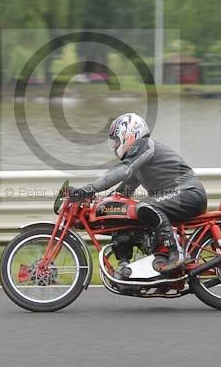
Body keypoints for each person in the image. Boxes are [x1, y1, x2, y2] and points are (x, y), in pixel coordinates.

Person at [69, 112, 208, 273]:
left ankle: (176, 254)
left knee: (145, 206)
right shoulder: (139, 163)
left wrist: (90, 188)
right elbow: (121, 193)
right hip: (179, 195)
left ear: (128, 134)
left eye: (116, 140)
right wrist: (99, 203)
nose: (114, 146)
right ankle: (129, 265)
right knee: (125, 215)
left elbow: (123, 171)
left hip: (188, 192)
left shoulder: (143, 145)